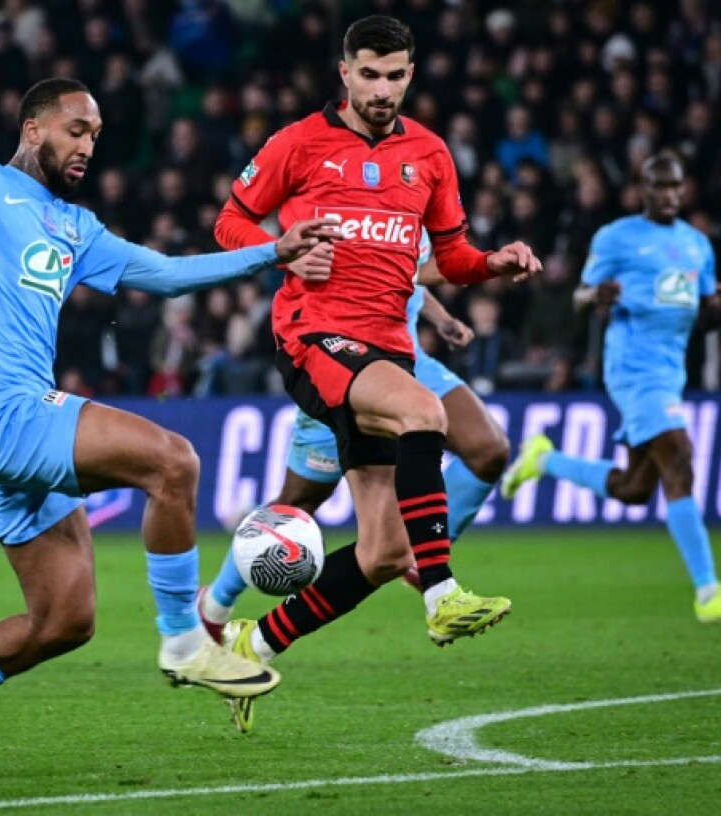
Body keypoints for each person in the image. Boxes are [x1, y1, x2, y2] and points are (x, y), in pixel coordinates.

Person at [0, 77, 340, 788]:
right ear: (33, 129)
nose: (87, 145)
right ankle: (186, 641)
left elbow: (166, 275)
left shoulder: (75, 226)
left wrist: (271, 254)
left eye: (94, 134)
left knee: (64, 620)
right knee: (173, 463)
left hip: (17, 424)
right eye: (74, 129)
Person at [211, 16, 540, 673]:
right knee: (425, 413)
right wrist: (279, 251)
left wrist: (493, 264)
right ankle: (442, 594)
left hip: (387, 348)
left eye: (394, 76)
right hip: (315, 338)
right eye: (369, 74)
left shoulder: (431, 155)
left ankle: (255, 644)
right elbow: (229, 221)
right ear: (345, 73)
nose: (382, 89)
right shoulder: (299, 143)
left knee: (384, 552)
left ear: (410, 74)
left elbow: (451, 256)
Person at [202, 231, 511, 732]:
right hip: (340, 358)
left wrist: (443, 313)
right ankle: (215, 607)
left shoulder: (416, 176)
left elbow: (417, 266)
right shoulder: (335, 177)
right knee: (295, 507)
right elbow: (250, 231)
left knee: (402, 535)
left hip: (407, 359)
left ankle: (256, 642)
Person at [501, 152, 721, 625]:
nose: (669, 195)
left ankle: (544, 458)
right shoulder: (616, 237)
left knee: (635, 489)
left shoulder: (697, 244)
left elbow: (701, 317)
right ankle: (708, 591)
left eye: (676, 187)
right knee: (679, 458)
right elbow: (580, 296)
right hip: (631, 369)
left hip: (670, 371)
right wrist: (594, 297)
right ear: (643, 189)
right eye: (659, 187)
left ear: (683, 190)